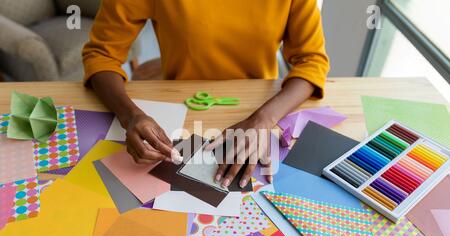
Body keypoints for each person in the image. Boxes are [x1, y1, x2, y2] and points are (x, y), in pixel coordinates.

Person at [82, 0, 329, 188]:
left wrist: (263, 119)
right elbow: (101, 55)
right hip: (180, 112)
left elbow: (312, 61)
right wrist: (130, 115)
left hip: (262, 108)